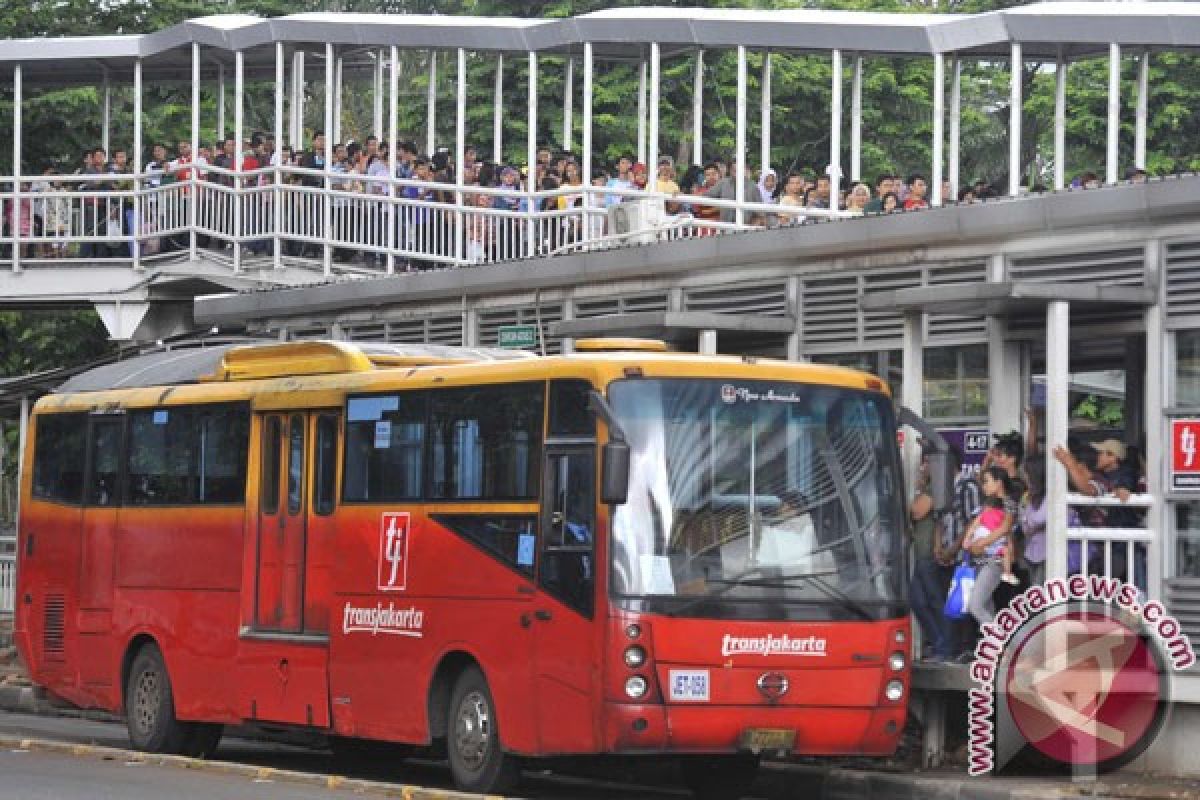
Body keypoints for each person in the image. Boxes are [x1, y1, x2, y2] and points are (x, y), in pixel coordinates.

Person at [909, 455, 953, 661]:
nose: (922, 467)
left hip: (927, 553)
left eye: (926, 463)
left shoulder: (933, 489)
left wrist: (916, 491)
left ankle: (945, 648)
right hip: (917, 553)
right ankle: (937, 643)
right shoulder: (925, 489)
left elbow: (917, 512)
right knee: (918, 601)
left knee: (935, 600)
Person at [965, 467, 1017, 626]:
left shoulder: (1009, 502)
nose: (984, 486)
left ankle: (999, 643)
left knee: (976, 606)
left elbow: (1006, 527)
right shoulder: (990, 502)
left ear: (999, 483)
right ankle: (999, 648)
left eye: (987, 482)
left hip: (996, 559)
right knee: (987, 608)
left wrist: (982, 542)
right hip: (982, 559)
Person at [1019, 458, 1047, 587]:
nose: (1025, 477)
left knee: (1040, 593)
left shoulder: (1049, 495)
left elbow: (1038, 519)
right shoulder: (1030, 496)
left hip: (1046, 554)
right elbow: (1025, 527)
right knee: (1034, 593)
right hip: (1032, 552)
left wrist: (1028, 520)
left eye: (1027, 473)